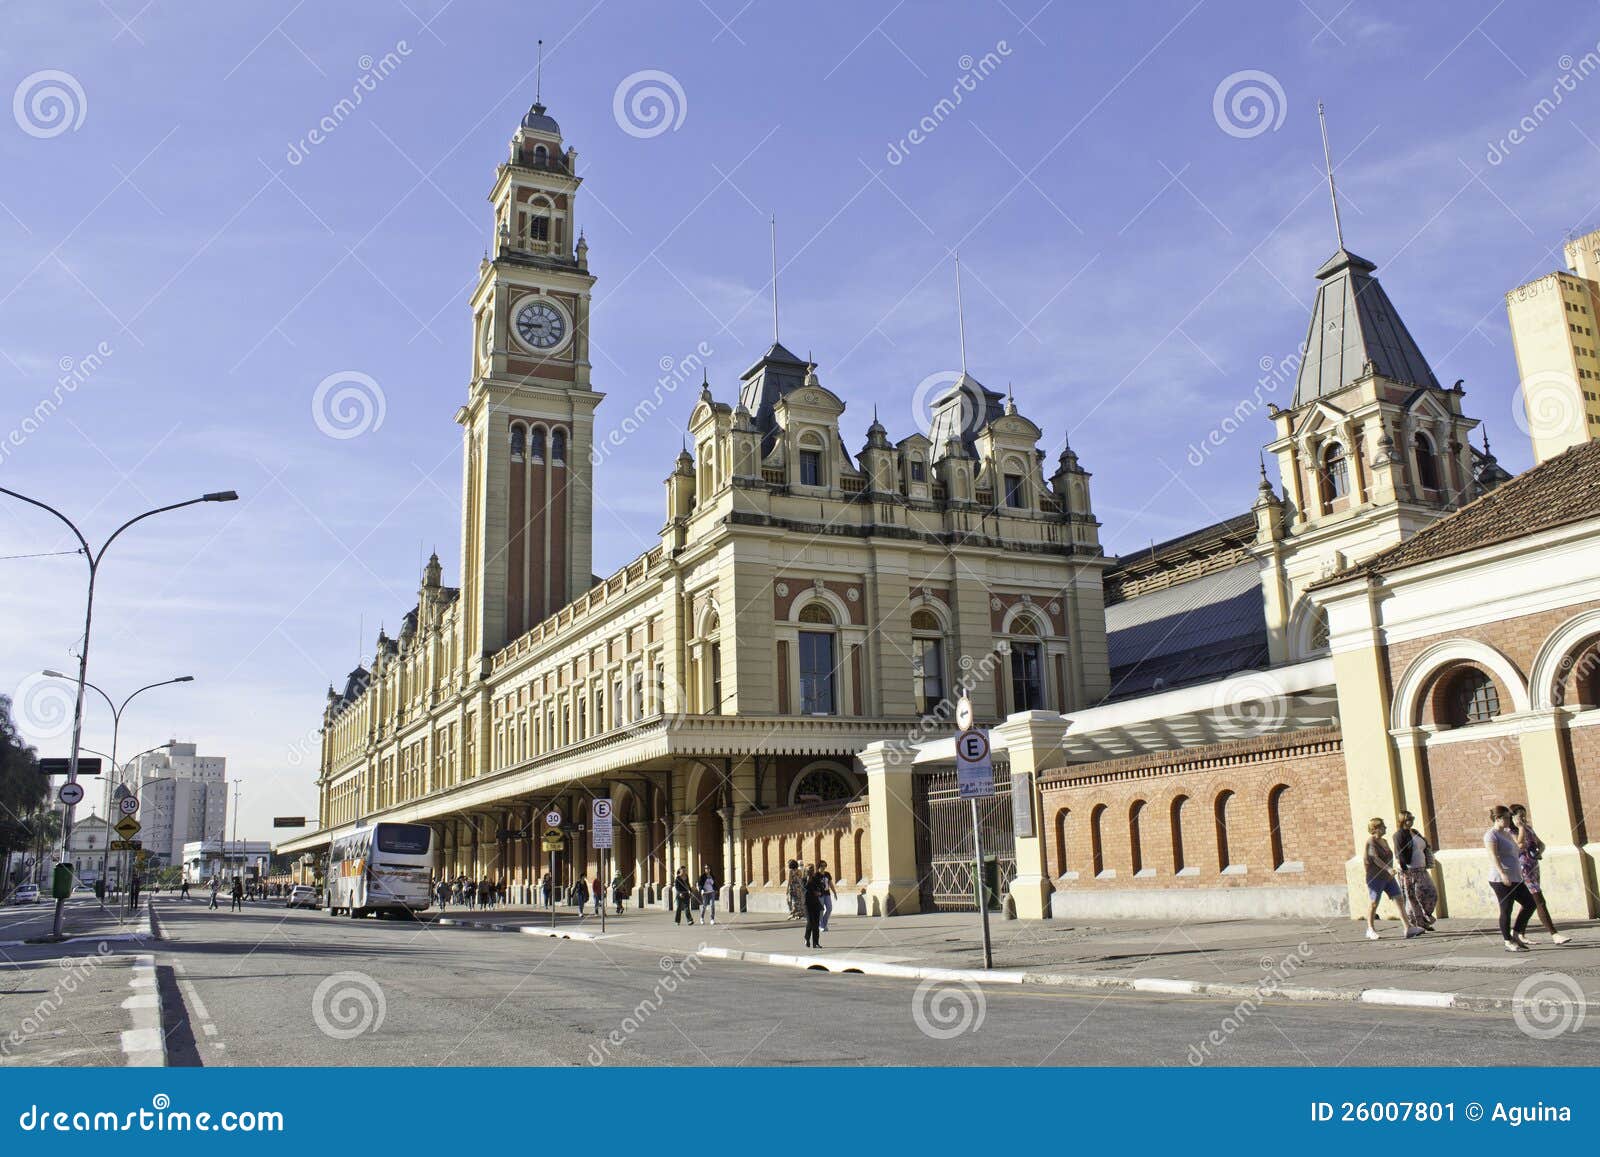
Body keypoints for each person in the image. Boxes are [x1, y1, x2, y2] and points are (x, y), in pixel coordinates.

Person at [1509, 804, 1573, 945]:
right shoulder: (1511, 832)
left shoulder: (1528, 828)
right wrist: (1520, 828)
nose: (1523, 819)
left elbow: (1541, 844)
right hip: (1522, 870)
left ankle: (1519, 933)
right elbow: (1519, 845)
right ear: (1512, 817)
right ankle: (1554, 934)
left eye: (1524, 815)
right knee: (1539, 900)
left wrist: (1539, 851)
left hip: (1534, 867)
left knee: (1529, 902)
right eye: (1520, 816)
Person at [1485, 806, 1537, 952]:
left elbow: (1519, 847)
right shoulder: (1491, 835)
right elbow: (1493, 856)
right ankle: (1508, 941)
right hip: (1500, 879)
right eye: (1507, 818)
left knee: (1530, 903)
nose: (1509, 820)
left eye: (1509, 817)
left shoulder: (1507, 833)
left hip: (1516, 877)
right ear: (1497, 818)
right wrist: (1502, 873)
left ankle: (1517, 933)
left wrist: (1521, 829)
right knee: (1506, 909)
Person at [1362, 818, 1420, 940]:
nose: (1385, 828)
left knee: (1399, 899)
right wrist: (1388, 869)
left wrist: (1394, 868)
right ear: (1375, 828)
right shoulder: (1371, 842)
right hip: (1375, 878)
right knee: (1374, 903)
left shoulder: (1384, 841)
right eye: (1383, 826)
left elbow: (1389, 856)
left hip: (1388, 878)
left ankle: (1408, 928)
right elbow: (1375, 859)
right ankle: (1370, 929)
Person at [1391, 812, 1437, 931]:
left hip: (1421, 869)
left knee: (1431, 893)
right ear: (1402, 821)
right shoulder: (1399, 835)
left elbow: (1424, 846)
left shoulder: (1415, 832)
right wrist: (1404, 868)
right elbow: (1399, 853)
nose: (1411, 821)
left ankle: (1425, 917)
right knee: (1412, 898)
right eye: (1408, 819)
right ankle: (1417, 923)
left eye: (1412, 818)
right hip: (1409, 870)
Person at [802, 864, 826, 948]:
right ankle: (806, 938)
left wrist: (819, 893)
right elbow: (804, 890)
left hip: (815, 903)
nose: (811, 871)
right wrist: (808, 880)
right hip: (807, 904)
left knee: (816, 923)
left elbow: (823, 889)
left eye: (812, 870)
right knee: (810, 922)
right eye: (809, 870)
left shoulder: (816, 879)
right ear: (805, 871)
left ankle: (816, 942)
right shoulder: (804, 880)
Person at [815, 859, 837, 932]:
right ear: (819, 866)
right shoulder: (816, 875)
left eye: (825, 866)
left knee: (829, 908)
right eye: (822, 866)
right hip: (820, 895)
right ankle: (821, 926)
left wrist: (834, 892)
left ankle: (824, 923)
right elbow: (814, 886)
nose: (823, 867)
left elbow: (830, 884)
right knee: (821, 910)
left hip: (827, 894)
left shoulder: (827, 874)